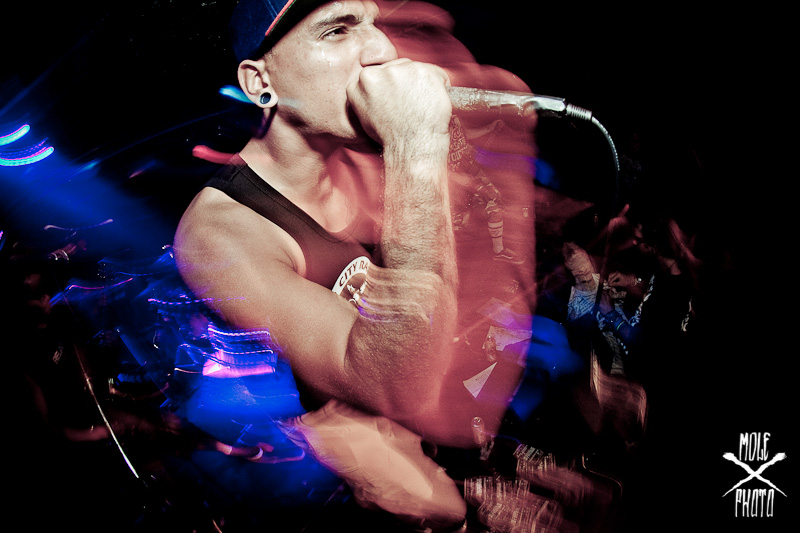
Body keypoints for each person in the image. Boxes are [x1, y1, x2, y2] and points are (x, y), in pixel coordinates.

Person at [173, 0, 531, 529]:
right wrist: (415, 143)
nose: (382, 49)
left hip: (464, 457)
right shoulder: (222, 232)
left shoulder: (365, 159)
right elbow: (395, 384)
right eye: (337, 31)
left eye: (373, 24)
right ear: (260, 82)